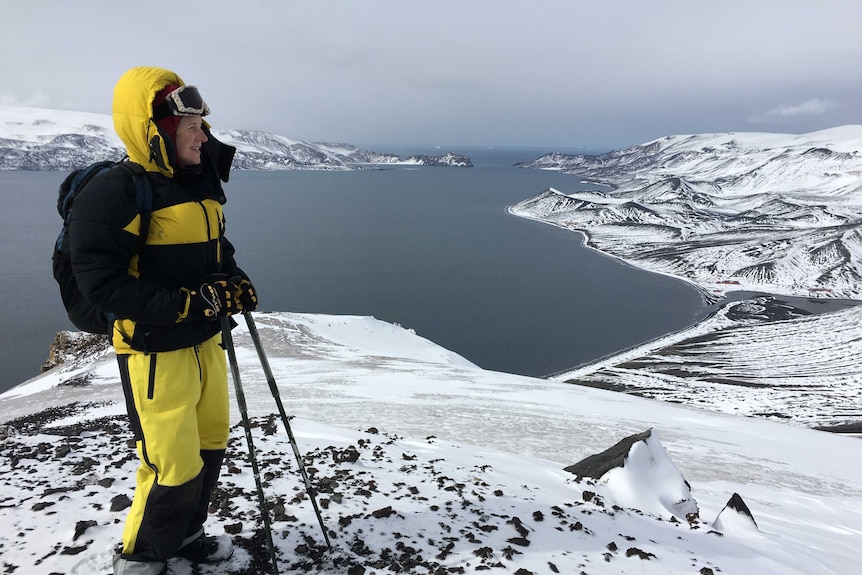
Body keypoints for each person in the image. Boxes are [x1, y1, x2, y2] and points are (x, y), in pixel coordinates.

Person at [68, 66, 258, 575]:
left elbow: (218, 249)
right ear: (160, 131)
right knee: (170, 462)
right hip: (154, 349)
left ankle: (185, 533)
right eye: (193, 127)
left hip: (205, 342)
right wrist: (186, 303)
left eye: (202, 126)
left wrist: (233, 280)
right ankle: (141, 558)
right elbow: (101, 284)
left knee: (211, 441)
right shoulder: (117, 192)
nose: (204, 135)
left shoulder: (199, 185)